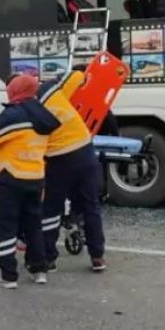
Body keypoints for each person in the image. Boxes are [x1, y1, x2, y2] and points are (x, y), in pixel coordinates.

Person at [0, 74, 60, 288]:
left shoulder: (12, 115)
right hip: (36, 178)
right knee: (33, 226)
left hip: (11, 178)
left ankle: (8, 275)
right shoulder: (44, 116)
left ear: (14, 91)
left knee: (8, 226)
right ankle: (39, 270)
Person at [38, 67, 107, 273]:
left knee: (51, 210)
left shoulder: (25, 111)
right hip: (85, 153)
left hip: (59, 160)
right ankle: (98, 256)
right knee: (90, 205)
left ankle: (48, 258)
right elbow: (77, 76)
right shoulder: (52, 90)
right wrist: (81, 74)